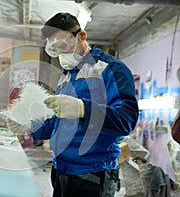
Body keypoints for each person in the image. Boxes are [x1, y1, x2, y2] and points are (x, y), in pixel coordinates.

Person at [8, 12, 139, 197]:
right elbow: (56, 121)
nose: (60, 54)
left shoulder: (110, 69)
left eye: (63, 46)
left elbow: (127, 120)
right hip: (61, 170)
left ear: (81, 36)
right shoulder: (66, 77)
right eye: (54, 51)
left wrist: (83, 109)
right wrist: (30, 126)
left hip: (92, 173)